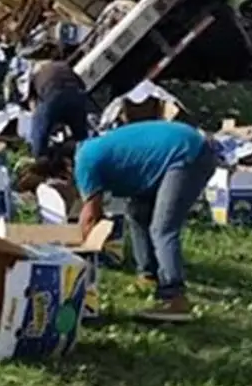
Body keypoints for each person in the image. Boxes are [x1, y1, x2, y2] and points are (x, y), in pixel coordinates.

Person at [73, 120, 216, 323]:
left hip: (187, 155)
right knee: (138, 212)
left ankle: (174, 298)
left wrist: (76, 254)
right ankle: (148, 275)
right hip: (172, 151)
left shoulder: (84, 162)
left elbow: (90, 217)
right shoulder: (90, 150)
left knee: (163, 229)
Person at [25, 59, 90, 159]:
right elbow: (83, 86)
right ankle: (88, 153)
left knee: (39, 138)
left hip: (53, 96)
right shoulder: (62, 65)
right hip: (75, 94)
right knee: (82, 137)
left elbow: (32, 103)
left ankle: (40, 161)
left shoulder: (34, 76)